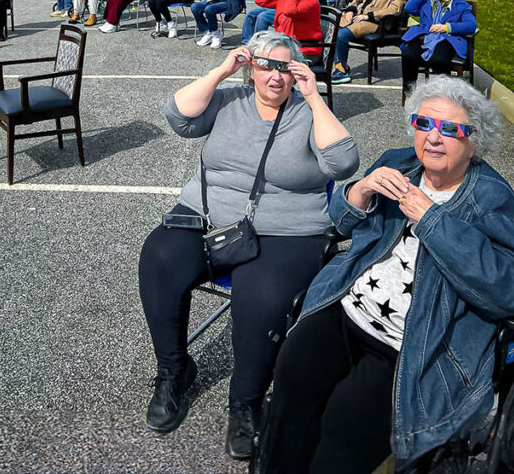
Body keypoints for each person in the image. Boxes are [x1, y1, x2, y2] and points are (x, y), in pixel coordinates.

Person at [259, 76, 514, 474]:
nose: (433, 138)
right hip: (348, 307)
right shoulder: (398, 161)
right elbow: (340, 224)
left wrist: (431, 220)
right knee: (292, 378)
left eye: (450, 129)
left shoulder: (490, 197)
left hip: (412, 340)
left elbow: (510, 289)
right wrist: (359, 191)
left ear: (474, 142)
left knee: (344, 424)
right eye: (424, 123)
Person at [138, 32, 360, 459]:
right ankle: (174, 371)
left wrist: (314, 98)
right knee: (159, 260)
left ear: (297, 73)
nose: (275, 76)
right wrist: (223, 69)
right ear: (252, 67)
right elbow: (178, 117)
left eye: (285, 68)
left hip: (286, 226)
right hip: (208, 214)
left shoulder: (306, 110)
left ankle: (246, 401)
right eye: (266, 65)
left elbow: (343, 163)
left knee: (264, 297)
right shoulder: (228, 100)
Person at [401, 0, 476, 93]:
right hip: (426, 36)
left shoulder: (461, 5)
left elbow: (471, 25)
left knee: (439, 59)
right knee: (408, 54)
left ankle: (440, 94)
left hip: (447, 38)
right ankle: (410, 92)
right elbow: (409, 8)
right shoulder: (428, 0)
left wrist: (446, 27)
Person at [332, 0, 406, 83]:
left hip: (374, 23)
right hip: (357, 17)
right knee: (331, 28)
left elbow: (393, 11)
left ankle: (342, 71)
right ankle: (330, 65)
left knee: (341, 35)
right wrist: (350, 10)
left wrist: (368, 16)